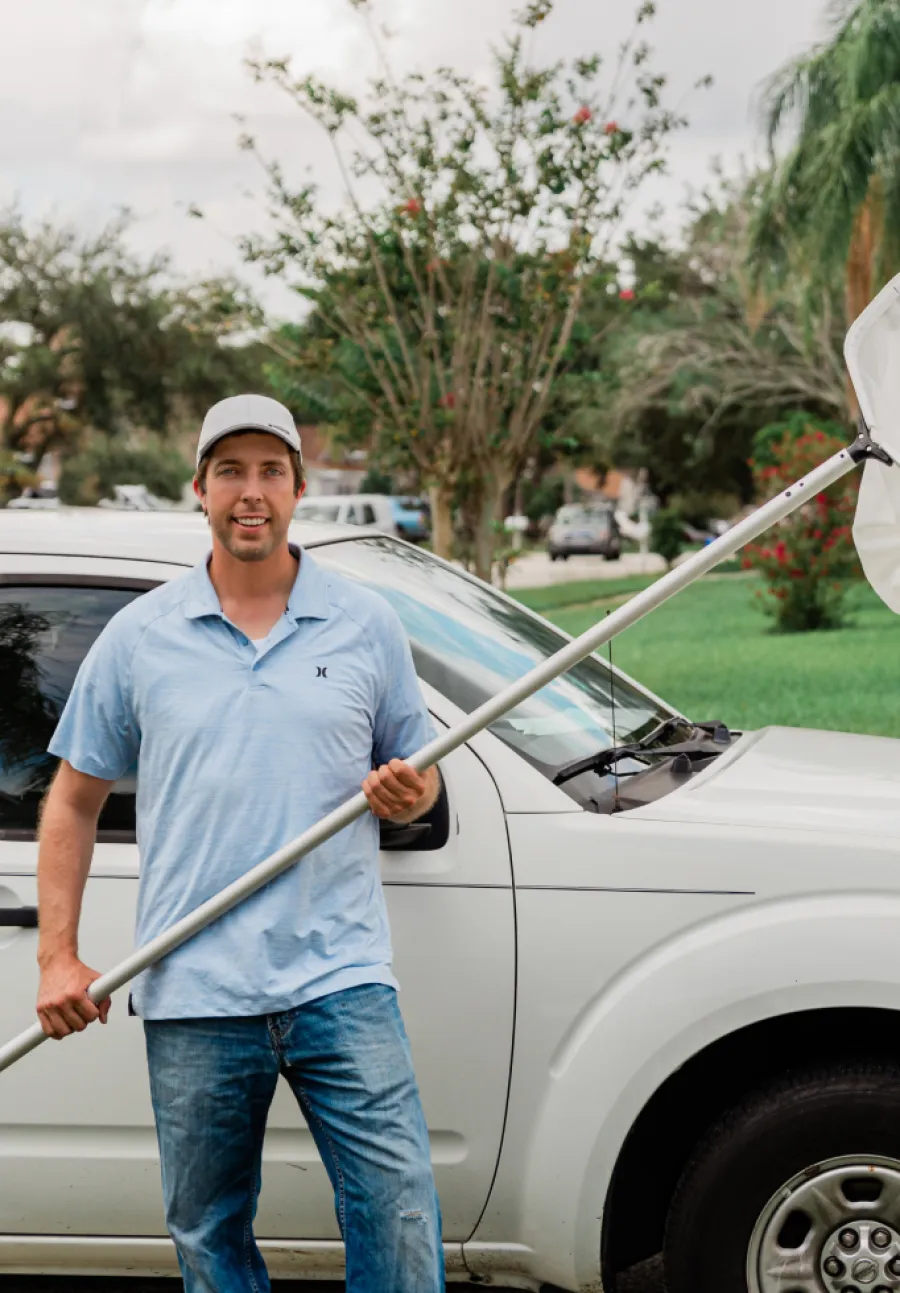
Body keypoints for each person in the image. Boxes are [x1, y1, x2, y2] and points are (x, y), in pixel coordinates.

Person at [34, 393, 445, 1293]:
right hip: (195, 988)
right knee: (210, 1234)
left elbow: (422, 772)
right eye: (230, 471)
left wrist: (412, 789)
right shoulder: (141, 635)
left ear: (299, 488)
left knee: (401, 1208)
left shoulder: (364, 622)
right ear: (200, 489)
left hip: (340, 975)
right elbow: (71, 799)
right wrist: (57, 958)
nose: (249, 492)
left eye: (269, 471)